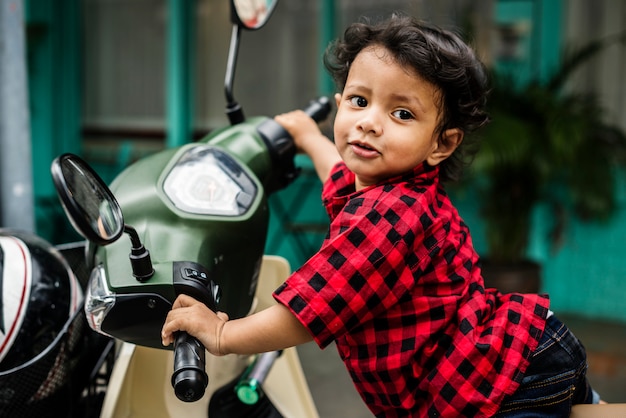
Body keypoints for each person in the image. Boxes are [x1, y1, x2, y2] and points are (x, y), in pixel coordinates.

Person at [161, 14, 599, 416]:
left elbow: (311, 308)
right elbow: (337, 171)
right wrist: (307, 138)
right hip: (516, 358)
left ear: (441, 144)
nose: (370, 122)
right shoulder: (383, 186)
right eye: (358, 100)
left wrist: (222, 335)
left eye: (402, 113)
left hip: (509, 383)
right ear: (339, 103)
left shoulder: (389, 218)